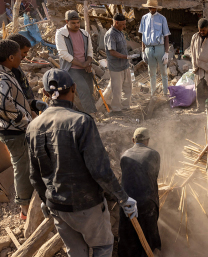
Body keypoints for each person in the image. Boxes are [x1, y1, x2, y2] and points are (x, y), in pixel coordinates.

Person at [26, 68, 138, 257]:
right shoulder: (82, 122)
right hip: (86, 206)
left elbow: (34, 173)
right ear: (74, 88)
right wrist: (123, 197)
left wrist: (45, 200)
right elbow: (100, 170)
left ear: (45, 94)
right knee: (102, 247)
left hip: (57, 206)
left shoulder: (33, 126)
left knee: (76, 252)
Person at [0, 39, 34, 220]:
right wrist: (23, 119)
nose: (23, 57)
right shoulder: (3, 77)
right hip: (14, 131)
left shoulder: (8, 73)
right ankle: (25, 208)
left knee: (24, 165)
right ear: (11, 57)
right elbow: (4, 105)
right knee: (22, 167)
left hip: (14, 129)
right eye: (20, 55)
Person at [118, 127, 161, 257]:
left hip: (127, 203)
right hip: (147, 203)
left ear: (133, 140)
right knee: (148, 236)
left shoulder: (124, 155)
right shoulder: (153, 154)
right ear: (147, 141)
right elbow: (154, 175)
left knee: (127, 237)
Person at [55, 10, 97, 115]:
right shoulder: (61, 33)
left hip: (85, 67)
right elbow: (63, 53)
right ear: (67, 22)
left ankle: (91, 112)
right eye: (73, 23)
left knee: (90, 90)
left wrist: (87, 63)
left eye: (78, 22)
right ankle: (91, 114)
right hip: (71, 68)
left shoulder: (84, 34)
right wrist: (82, 64)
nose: (76, 25)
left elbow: (90, 51)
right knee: (83, 90)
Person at [8, 33, 48, 115]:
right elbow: (16, 97)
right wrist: (31, 113)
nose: (26, 55)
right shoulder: (9, 71)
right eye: (24, 52)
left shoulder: (15, 65)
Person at [139, 0, 171, 98]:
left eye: (152, 7)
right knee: (151, 73)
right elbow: (143, 36)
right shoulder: (144, 18)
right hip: (149, 49)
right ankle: (153, 95)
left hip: (160, 48)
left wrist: (166, 53)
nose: (151, 9)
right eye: (149, 7)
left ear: (156, 8)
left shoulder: (162, 18)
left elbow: (166, 36)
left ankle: (165, 93)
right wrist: (143, 51)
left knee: (164, 72)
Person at [104, 13, 133, 114]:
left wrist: (127, 58)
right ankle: (116, 109)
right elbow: (112, 51)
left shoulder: (120, 32)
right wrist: (126, 57)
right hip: (116, 67)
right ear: (116, 23)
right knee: (117, 89)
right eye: (123, 24)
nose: (125, 26)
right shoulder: (111, 34)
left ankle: (125, 106)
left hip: (124, 65)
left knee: (128, 87)